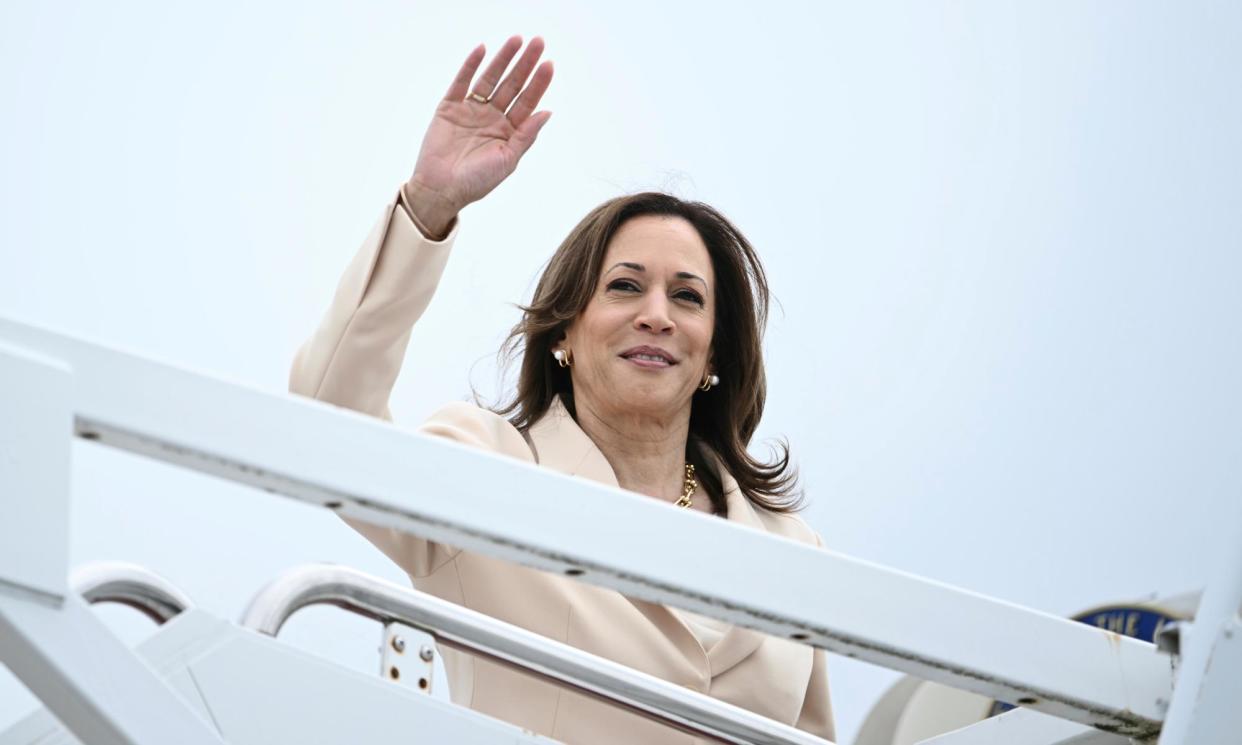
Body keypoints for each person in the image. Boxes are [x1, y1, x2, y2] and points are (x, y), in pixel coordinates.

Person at [290, 35, 835, 744]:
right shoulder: (486, 469)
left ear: (713, 355)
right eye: (625, 286)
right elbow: (328, 426)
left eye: (689, 297)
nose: (657, 315)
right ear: (563, 333)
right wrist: (427, 205)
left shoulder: (794, 548)